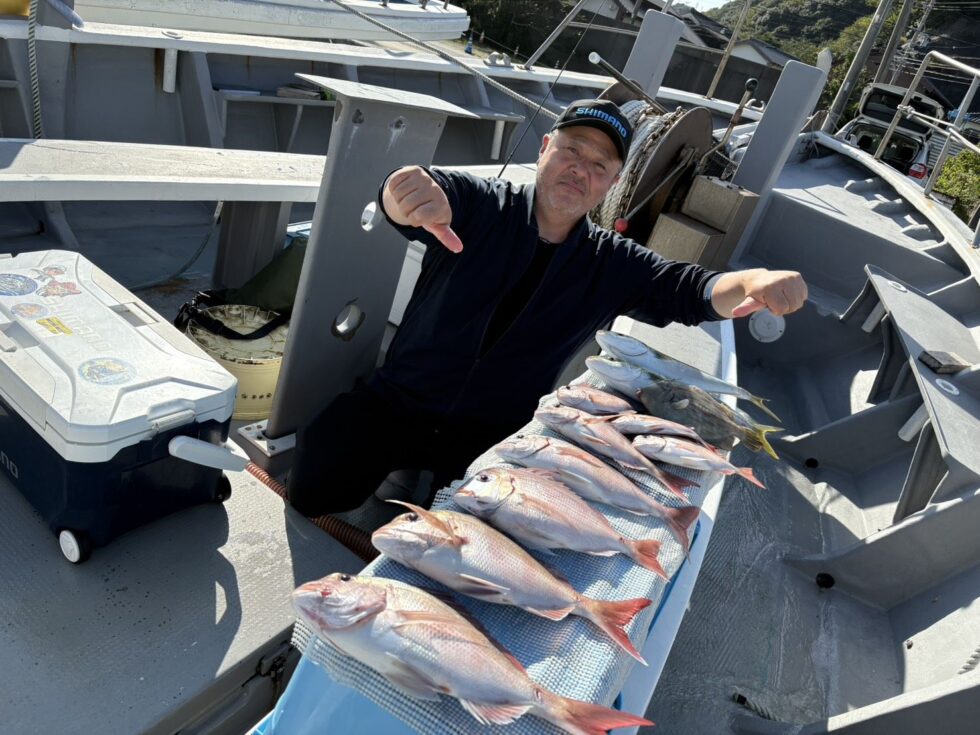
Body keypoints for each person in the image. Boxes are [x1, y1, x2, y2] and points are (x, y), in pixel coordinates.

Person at [287, 99, 807, 518]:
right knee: (312, 491)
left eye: (599, 165)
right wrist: (404, 193)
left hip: (497, 432)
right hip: (399, 398)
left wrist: (755, 280)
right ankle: (402, 471)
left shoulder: (612, 261)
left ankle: (421, 482)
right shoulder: (480, 206)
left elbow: (692, 289)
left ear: (612, 182)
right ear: (544, 149)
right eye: (571, 151)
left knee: (486, 543)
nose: (581, 170)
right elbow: (425, 193)